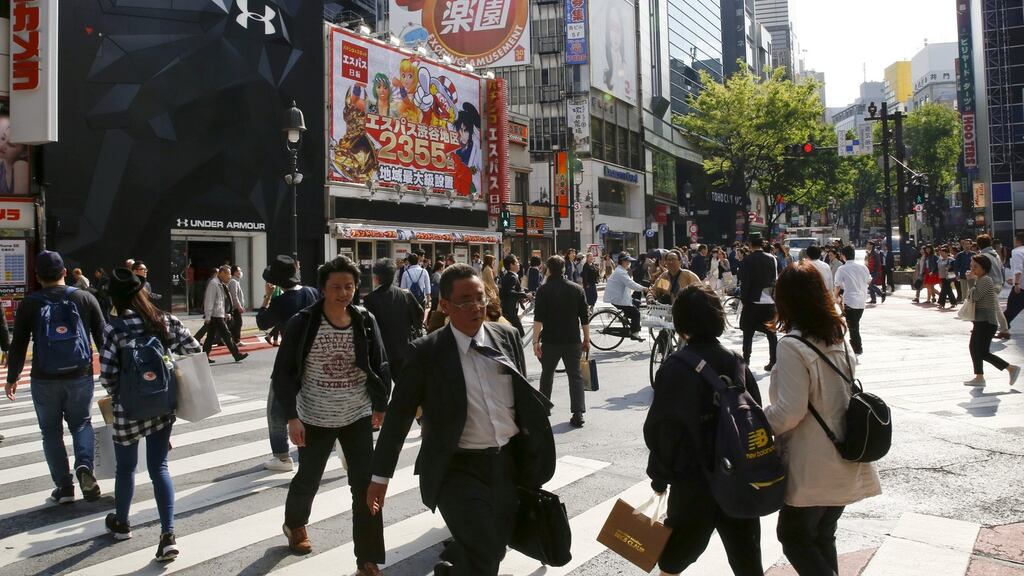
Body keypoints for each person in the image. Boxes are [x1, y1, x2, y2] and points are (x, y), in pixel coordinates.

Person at [366, 264, 555, 576]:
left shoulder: (506, 336)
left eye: (480, 299)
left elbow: (521, 401)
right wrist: (379, 477)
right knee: (486, 548)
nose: (475, 308)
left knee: (494, 548)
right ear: (445, 306)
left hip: (506, 464)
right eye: (465, 301)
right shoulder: (426, 352)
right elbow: (398, 417)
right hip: (457, 467)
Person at [273, 257, 390, 576]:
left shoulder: (365, 320)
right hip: (314, 417)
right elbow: (282, 373)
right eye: (336, 287)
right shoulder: (304, 322)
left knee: (365, 487)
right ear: (323, 288)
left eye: (349, 286)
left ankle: (367, 559)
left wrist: (381, 404)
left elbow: (380, 365)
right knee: (308, 479)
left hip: (357, 416)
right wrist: (292, 417)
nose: (343, 293)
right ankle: (295, 524)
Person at [764, 262, 882, 576]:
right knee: (821, 535)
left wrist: (758, 423)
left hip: (812, 460)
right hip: (845, 452)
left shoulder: (792, 345)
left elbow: (790, 411)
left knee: (794, 538)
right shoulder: (838, 335)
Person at [645, 285, 764, 576]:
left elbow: (662, 429)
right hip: (737, 478)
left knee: (673, 559)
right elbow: (756, 414)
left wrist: (659, 477)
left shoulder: (675, 367)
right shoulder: (736, 363)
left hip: (692, 481)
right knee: (747, 561)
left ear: (681, 322)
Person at [98, 268, 202, 561]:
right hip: (161, 406)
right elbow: (194, 350)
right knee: (159, 468)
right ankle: (167, 534)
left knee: (126, 468)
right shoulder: (164, 320)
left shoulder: (113, 328)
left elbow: (108, 375)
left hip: (127, 410)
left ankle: (121, 523)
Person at [5, 251, 106, 505]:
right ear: (64, 273)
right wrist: (110, 371)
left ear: (38, 277)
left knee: (50, 432)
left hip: (44, 377)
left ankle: (64, 487)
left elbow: (18, 344)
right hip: (80, 374)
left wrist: (13, 377)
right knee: (82, 423)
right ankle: (84, 466)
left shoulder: (30, 302)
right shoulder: (85, 298)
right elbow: (104, 338)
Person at [256, 255, 321, 472]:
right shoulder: (312, 292)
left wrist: (266, 297)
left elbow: (262, 323)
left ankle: (282, 457)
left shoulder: (281, 301)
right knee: (310, 405)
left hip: (288, 359)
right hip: (315, 357)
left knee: (276, 410)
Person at [533, 255, 590, 428]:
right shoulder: (576, 288)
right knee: (575, 376)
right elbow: (584, 317)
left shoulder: (544, 290)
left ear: (548, 269)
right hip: (572, 339)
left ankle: (544, 408)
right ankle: (578, 413)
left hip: (550, 339)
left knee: (547, 373)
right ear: (564, 269)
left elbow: (538, 319)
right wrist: (586, 338)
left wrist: (535, 342)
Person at [964, 255, 1021, 387]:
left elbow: (975, 296)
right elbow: (970, 296)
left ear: (984, 268)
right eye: (971, 266)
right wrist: (972, 280)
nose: (972, 269)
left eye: (975, 267)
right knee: (974, 348)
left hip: (987, 322)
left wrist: (971, 280)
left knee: (982, 352)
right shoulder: (980, 279)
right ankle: (979, 377)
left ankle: (1011, 368)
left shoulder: (986, 280)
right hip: (980, 321)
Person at [363, 258, 424, 382]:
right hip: (403, 349)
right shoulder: (405, 294)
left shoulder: (370, 299)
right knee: (402, 388)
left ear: (376, 277)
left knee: (383, 389)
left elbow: (368, 328)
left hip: (381, 353)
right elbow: (420, 314)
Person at [738, 234, 778, 371]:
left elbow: (745, 282)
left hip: (752, 302)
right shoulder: (772, 258)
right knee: (771, 333)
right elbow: (775, 279)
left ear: (750, 244)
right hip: (769, 301)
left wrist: (744, 299)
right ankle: (773, 361)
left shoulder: (747, 260)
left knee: (748, 333)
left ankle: (746, 361)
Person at [202, 265, 247, 364]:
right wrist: (208, 316)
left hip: (218, 314)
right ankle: (236, 354)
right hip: (215, 316)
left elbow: (221, 302)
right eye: (228, 274)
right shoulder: (214, 284)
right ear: (222, 273)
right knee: (226, 335)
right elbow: (209, 301)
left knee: (210, 337)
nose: (230, 276)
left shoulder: (220, 284)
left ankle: (204, 357)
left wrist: (225, 313)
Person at [834, 246, 872, 356]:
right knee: (855, 324)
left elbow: (837, 285)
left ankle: (857, 347)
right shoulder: (863, 267)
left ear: (844, 255)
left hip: (850, 300)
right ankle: (854, 345)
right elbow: (869, 281)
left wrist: (834, 297)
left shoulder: (842, 269)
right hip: (861, 300)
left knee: (853, 326)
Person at [604, 251, 647, 340]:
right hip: (618, 299)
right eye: (628, 261)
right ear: (622, 261)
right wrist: (643, 288)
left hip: (620, 297)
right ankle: (634, 333)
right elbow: (631, 284)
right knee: (636, 314)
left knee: (637, 302)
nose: (629, 263)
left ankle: (626, 316)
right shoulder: (621, 272)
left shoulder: (621, 270)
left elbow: (630, 283)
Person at [977, 234, 1012, 339]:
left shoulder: (983, 256)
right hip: (998, 282)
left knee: (995, 307)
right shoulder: (994, 254)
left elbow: (982, 271)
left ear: (979, 244)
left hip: (989, 283)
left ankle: (1004, 330)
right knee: (988, 306)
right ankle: (985, 327)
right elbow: (1001, 268)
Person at [498, 254, 530, 337]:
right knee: (520, 333)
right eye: (516, 262)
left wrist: (521, 296)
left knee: (511, 334)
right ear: (511, 265)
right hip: (510, 310)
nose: (519, 264)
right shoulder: (512, 277)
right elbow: (510, 292)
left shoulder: (508, 276)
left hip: (508, 309)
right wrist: (525, 295)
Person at [1004, 232, 1024, 330]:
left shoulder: (1017, 252)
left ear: (1018, 240)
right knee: (1010, 310)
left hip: (1021, 287)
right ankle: (1004, 327)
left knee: (1010, 310)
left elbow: (1018, 268)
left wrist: (1017, 283)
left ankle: (1004, 329)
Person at [227, 265, 246, 346]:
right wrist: (239, 306)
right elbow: (234, 295)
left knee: (233, 324)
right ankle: (236, 340)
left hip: (235, 307)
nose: (240, 272)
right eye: (239, 270)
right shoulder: (233, 282)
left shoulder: (235, 281)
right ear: (234, 272)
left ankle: (231, 339)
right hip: (235, 308)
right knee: (238, 323)